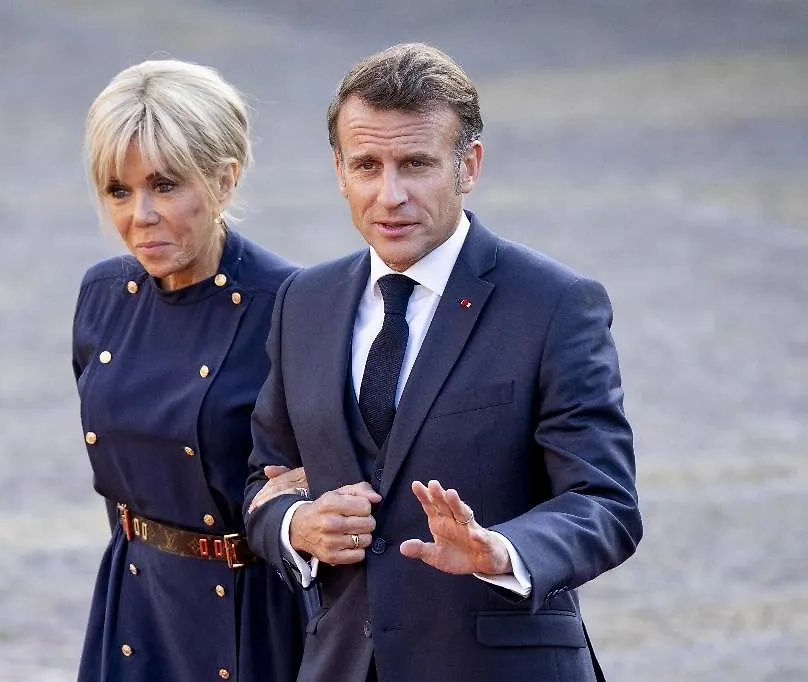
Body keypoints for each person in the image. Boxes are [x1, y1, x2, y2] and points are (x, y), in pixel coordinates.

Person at [243, 43, 642, 682]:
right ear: (340, 171)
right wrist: (297, 526)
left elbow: (605, 502)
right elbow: (263, 482)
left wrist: (502, 550)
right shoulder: (303, 302)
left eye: (416, 164)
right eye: (367, 165)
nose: (390, 195)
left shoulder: (555, 304)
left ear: (468, 166)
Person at [73, 59, 303, 682]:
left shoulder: (293, 308)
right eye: (119, 191)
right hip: (135, 604)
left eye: (165, 185)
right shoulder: (102, 297)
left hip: (253, 617)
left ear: (225, 180)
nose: (140, 215)